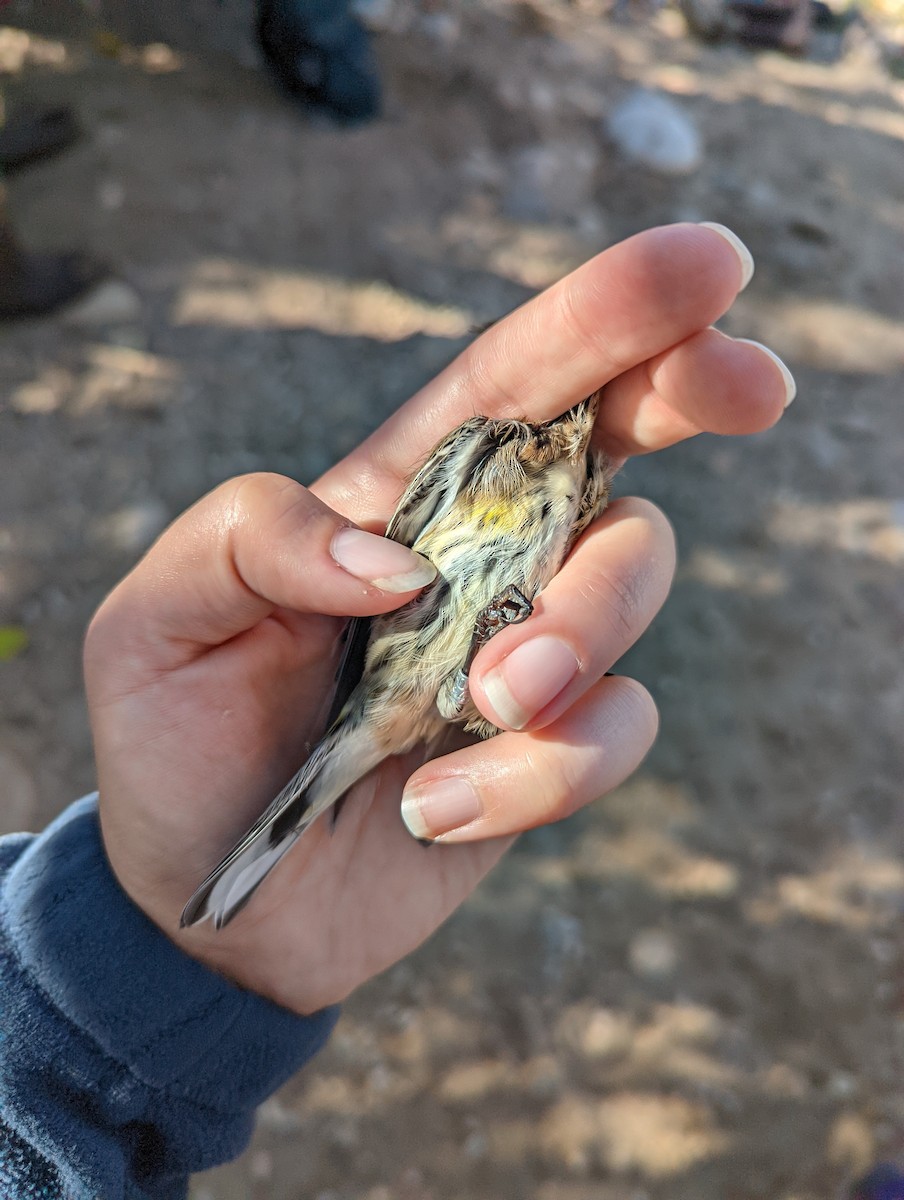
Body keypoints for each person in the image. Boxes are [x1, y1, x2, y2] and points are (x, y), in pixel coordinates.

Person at [0, 223, 795, 1198]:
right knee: (469, 699)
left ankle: (435, 724)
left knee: (532, 674)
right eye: (579, 418)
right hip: (391, 673)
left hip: (415, 705)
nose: (580, 436)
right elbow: (402, 585)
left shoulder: (582, 501)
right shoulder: (486, 448)